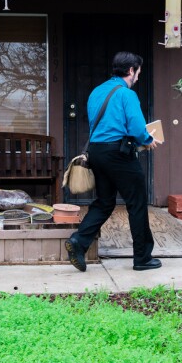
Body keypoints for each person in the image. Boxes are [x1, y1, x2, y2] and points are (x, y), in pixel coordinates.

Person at [65, 51, 162, 272]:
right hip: (119, 153)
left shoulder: (97, 91)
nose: (138, 78)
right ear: (131, 71)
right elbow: (137, 128)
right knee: (136, 203)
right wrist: (147, 140)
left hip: (97, 153)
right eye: (138, 73)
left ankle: (79, 241)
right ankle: (142, 258)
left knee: (105, 202)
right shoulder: (127, 95)